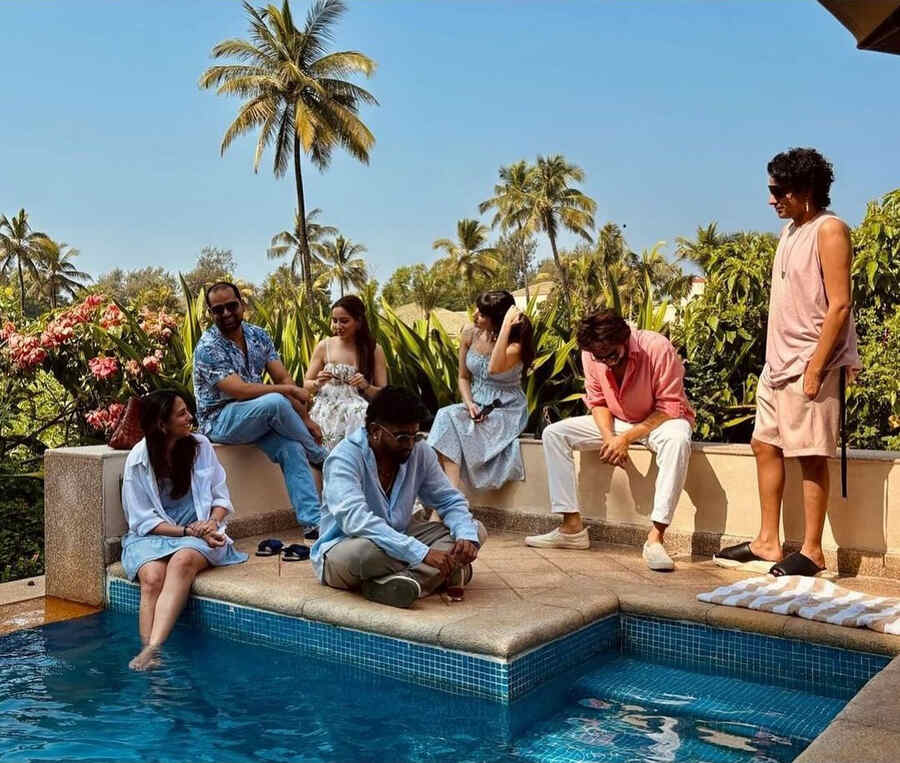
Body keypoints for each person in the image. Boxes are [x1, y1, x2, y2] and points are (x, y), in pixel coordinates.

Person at [715, 148, 859, 578]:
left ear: (805, 191)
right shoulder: (790, 232)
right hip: (777, 364)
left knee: (811, 456)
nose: (771, 199)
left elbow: (840, 305)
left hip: (810, 363)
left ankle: (812, 551)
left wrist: (816, 368)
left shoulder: (830, 230)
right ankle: (767, 541)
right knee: (764, 444)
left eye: (779, 192)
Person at [525, 310, 694, 572]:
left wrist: (626, 439)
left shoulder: (657, 347)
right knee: (554, 434)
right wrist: (610, 438)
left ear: (624, 338)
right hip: (618, 421)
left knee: (679, 439)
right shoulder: (592, 353)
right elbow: (598, 401)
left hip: (660, 421)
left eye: (611, 355)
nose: (605, 361)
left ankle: (656, 538)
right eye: (599, 357)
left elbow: (670, 407)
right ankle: (571, 528)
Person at [310, 386, 487, 608]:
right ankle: (442, 574)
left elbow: (448, 500)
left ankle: (397, 583)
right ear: (375, 430)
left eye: (416, 436)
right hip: (347, 546)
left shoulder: (419, 451)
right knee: (366, 553)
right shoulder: (344, 458)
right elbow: (355, 520)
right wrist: (421, 553)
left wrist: (465, 536)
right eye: (402, 436)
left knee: (474, 530)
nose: (410, 444)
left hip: (398, 536)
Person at [121, 390, 248, 670]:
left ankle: (153, 649)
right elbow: (142, 521)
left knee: (182, 561)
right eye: (182, 414)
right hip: (157, 534)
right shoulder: (138, 459)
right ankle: (148, 653)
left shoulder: (201, 447)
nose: (190, 417)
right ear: (162, 424)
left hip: (200, 533)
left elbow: (221, 498)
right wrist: (186, 532)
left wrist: (211, 523)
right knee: (152, 578)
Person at [192, 282, 328, 535]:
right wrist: (288, 391)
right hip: (220, 420)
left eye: (231, 306)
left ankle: (313, 524)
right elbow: (240, 390)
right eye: (218, 310)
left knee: (292, 448)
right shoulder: (208, 347)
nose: (226, 313)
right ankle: (321, 458)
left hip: (255, 416)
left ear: (242, 304)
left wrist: (306, 419)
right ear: (211, 313)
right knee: (275, 401)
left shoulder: (258, 335)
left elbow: (283, 377)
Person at [427, 290, 534, 490]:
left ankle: (451, 498)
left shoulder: (515, 346)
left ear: (498, 320)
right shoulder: (470, 334)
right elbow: (463, 377)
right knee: (445, 416)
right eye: (477, 309)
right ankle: (452, 493)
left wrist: (505, 327)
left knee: (447, 419)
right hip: (476, 404)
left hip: (506, 409)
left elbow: (493, 368)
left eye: (483, 314)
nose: (475, 315)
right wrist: (469, 403)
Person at [303, 295, 388, 451]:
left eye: (344, 321)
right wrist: (317, 383)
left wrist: (366, 386)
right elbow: (305, 384)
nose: (337, 326)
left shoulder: (374, 349)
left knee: (362, 415)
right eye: (334, 320)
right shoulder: (324, 346)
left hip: (355, 405)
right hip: (325, 405)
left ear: (358, 322)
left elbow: (383, 394)